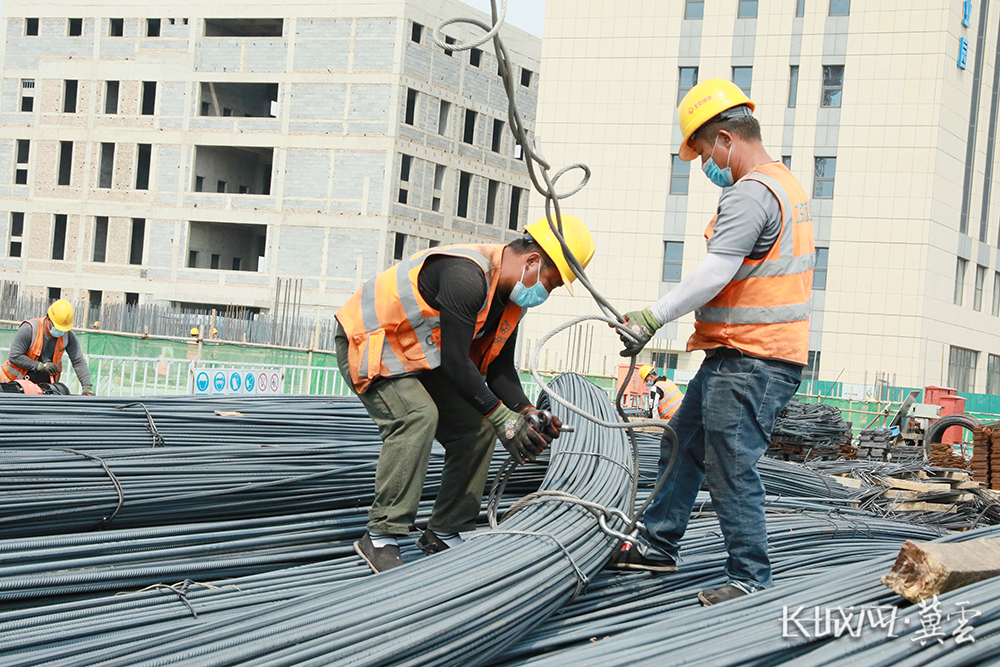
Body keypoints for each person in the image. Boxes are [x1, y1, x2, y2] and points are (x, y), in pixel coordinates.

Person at [609, 79, 815, 607]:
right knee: (682, 442)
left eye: (703, 152)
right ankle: (657, 543)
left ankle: (749, 577)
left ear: (725, 139)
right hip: (738, 354)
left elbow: (716, 272)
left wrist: (652, 317)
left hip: (753, 358)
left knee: (729, 462)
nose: (705, 164)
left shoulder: (751, 192)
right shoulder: (785, 185)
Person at [336, 215, 595, 573]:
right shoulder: (467, 277)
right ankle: (381, 534)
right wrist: (504, 419)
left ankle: (444, 529)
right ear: (533, 261)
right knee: (417, 416)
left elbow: (499, 370)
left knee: (477, 428)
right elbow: (457, 363)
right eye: (549, 284)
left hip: (421, 357)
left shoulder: (509, 301)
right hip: (372, 342)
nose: (545, 295)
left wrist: (524, 413)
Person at [1, 299, 95, 395]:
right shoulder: (29, 329)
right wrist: (40, 366)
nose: (61, 331)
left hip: (44, 389)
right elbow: (14, 356)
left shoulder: (68, 336)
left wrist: (87, 387)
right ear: (49, 319)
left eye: (63, 329)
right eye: (58, 327)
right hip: (14, 386)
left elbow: (78, 361)